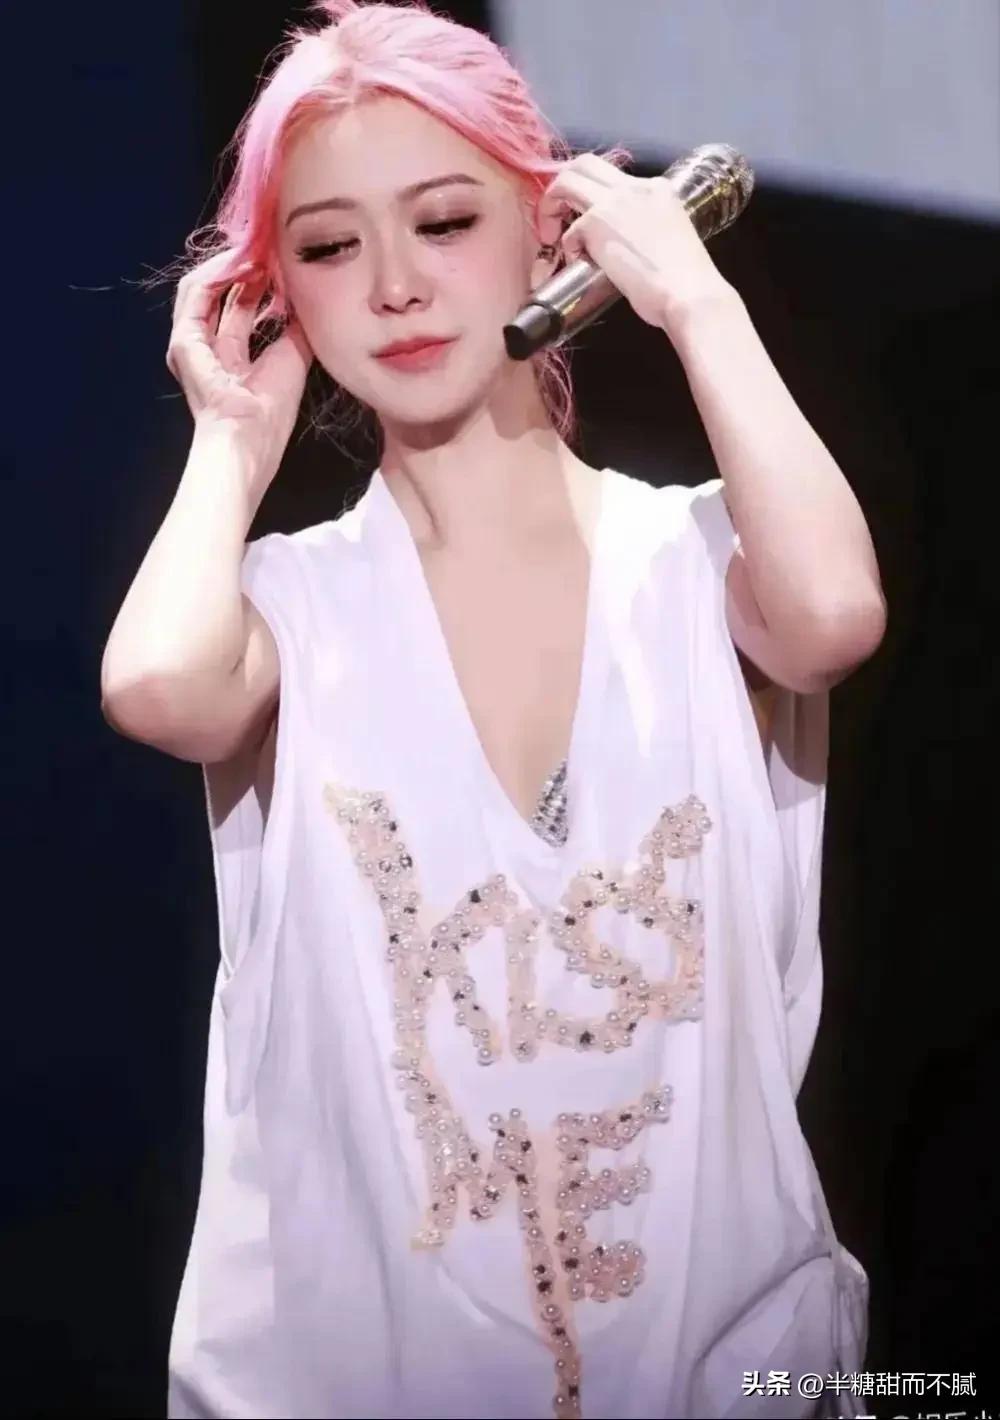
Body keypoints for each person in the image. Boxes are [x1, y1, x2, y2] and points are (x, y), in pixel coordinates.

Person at [100, 2, 886, 1416]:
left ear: (552, 227)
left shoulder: (702, 561)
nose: (395, 286)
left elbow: (833, 616)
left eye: (446, 221)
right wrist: (232, 438)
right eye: (330, 248)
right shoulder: (286, 608)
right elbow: (158, 689)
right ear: (280, 293)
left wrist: (696, 302)